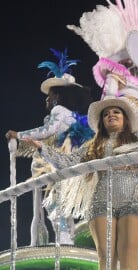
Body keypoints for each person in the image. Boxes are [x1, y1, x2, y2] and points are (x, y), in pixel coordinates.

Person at [22, 95, 138, 270]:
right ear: (101, 122)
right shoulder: (92, 146)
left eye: (116, 112)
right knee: (105, 256)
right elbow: (66, 162)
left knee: (128, 251)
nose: (111, 115)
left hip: (135, 201)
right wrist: (41, 148)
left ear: (125, 119)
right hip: (100, 203)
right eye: (106, 114)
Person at [5, 48, 93, 245]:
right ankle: (69, 238)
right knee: (62, 202)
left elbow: (45, 132)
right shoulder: (69, 115)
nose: (47, 98)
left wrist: (18, 135)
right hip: (71, 163)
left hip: (64, 164)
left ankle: (64, 240)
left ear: (58, 97)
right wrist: (22, 147)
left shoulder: (59, 112)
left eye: (50, 95)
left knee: (55, 201)